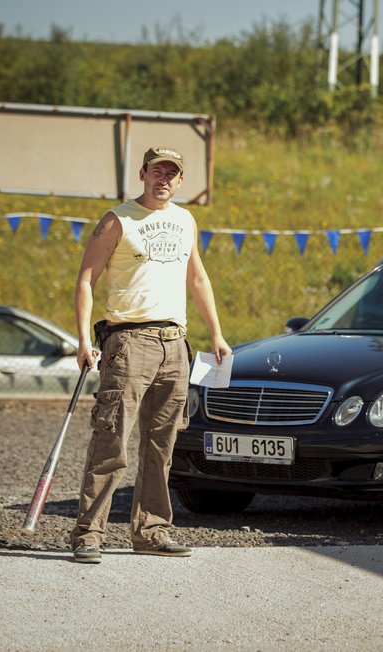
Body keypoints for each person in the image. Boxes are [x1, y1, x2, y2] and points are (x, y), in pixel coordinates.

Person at [69, 146, 231, 564]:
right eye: (156, 171)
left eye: (171, 174)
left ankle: (152, 530)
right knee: (112, 439)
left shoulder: (185, 219)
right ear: (143, 174)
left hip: (175, 343)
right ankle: (89, 533)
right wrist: (84, 339)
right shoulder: (118, 219)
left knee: (163, 444)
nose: (164, 179)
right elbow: (86, 278)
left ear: (180, 181)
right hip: (128, 342)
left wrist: (216, 332)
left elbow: (197, 277)